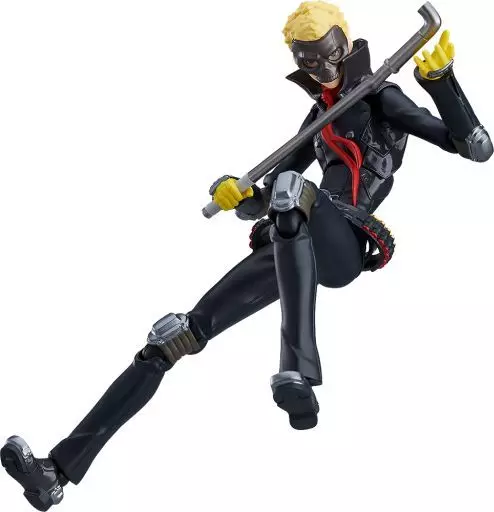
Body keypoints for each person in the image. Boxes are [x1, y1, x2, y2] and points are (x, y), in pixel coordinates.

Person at [2, 2, 491, 510]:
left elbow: (474, 146)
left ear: (346, 44)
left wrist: (442, 83)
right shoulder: (319, 117)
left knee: (293, 190)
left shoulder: (381, 97)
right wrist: (239, 194)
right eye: (308, 60)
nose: (321, 67)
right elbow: (269, 194)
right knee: (172, 336)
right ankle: (56, 471)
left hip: (342, 241)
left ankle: (298, 371)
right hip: (292, 237)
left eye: (328, 54)